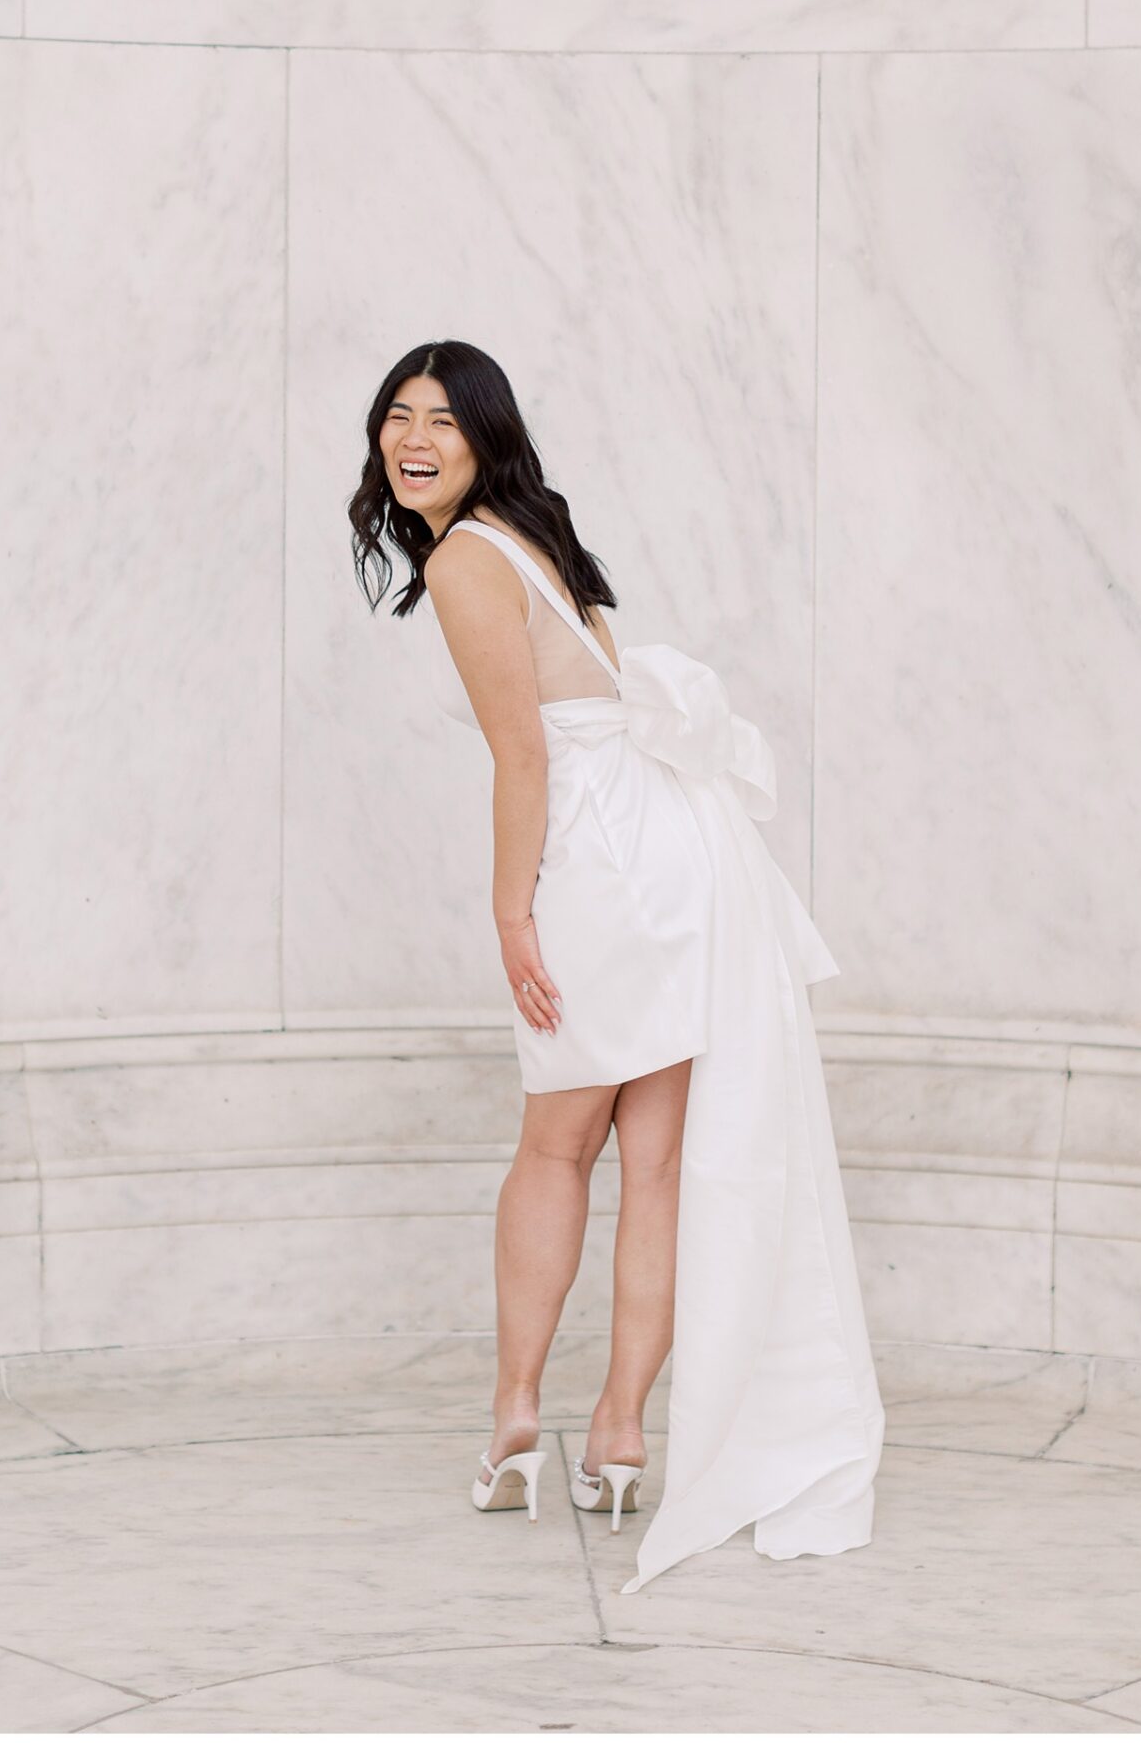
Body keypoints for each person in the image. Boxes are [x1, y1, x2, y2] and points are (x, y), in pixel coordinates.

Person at [348, 338, 885, 1592]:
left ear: (483, 436)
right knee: (652, 1161)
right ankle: (622, 1435)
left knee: (553, 1146)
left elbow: (526, 756)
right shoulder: (532, 536)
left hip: (607, 853)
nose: (410, 438)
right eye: (394, 417)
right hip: (682, 852)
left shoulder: (469, 559)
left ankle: (514, 1421)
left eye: (439, 419)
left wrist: (510, 914)